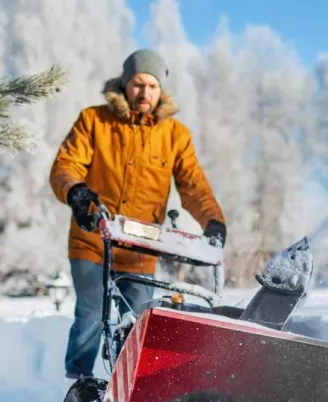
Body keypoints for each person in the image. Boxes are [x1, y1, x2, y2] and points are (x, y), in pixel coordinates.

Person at [49, 48, 227, 380]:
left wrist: (213, 220)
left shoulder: (175, 135)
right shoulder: (94, 121)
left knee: (138, 323)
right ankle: (78, 386)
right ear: (125, 83)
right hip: (92, 239)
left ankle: (126, 389)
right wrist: (76, 193)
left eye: (152, 86)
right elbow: (66, 166)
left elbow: (193, 185)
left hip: (141, 249)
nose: (144, 92)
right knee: (92, 312)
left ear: (161, 90)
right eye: (138, 83)